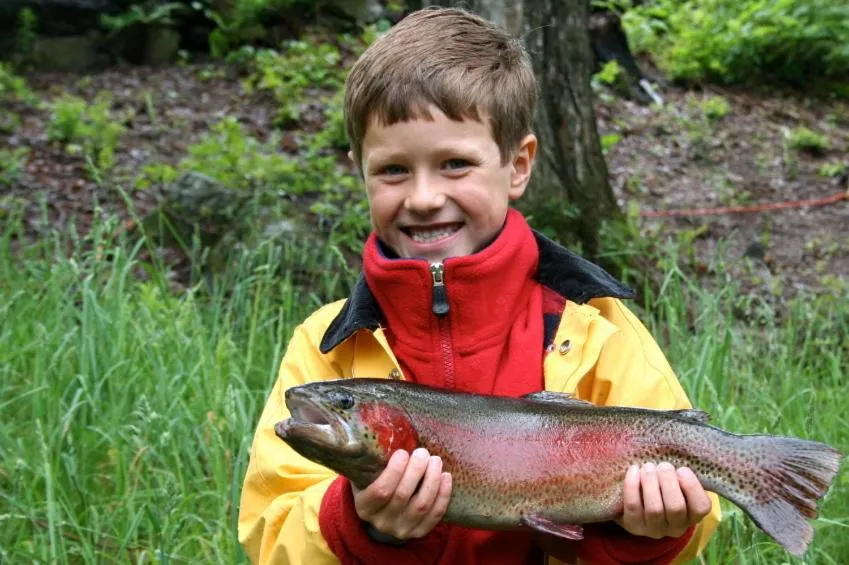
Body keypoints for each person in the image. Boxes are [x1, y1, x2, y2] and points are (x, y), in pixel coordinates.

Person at [238, 7, 721, 565]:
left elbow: (697, 521)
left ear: (517, 166)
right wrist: (359, 526)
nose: (423, 197)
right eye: (393, 170)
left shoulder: (597, 329)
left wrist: (648, 533)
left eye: (454, 164)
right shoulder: (327, 344)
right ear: (360, 172)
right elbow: (270, 531)